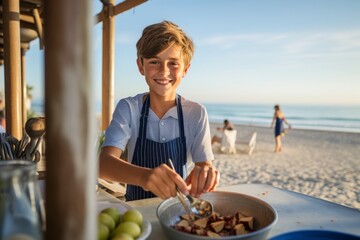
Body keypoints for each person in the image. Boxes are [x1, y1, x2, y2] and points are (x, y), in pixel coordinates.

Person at [99, 21, 219, 201]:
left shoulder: (196, 113)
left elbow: (203, 166)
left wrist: (206, 174)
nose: (164, 71)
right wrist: (145, 177)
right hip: (136, 213)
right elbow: (103, 164)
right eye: (155, 62)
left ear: (185, 69)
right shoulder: (129, 108)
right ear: (141, 66)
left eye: (173, 63)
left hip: (180, 212)